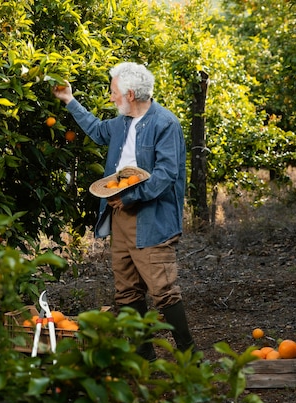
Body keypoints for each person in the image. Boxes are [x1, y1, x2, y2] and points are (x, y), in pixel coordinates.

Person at [52, 62, 195, 360]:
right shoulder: (122, 123)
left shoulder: (165, 124)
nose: (111, 96)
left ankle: (190, 360)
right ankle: (145, 360)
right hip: (118, 216)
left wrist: (131, 197)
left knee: (163, 289)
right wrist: (69, 100)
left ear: (130, 93)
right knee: (126, 290)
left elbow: (167, 175)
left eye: (114, 91)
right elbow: (95, 129)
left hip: (151, 218)